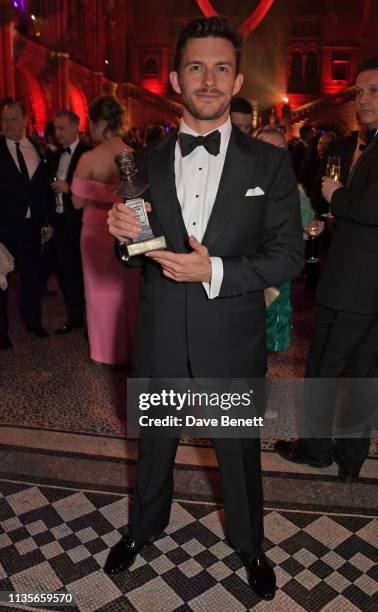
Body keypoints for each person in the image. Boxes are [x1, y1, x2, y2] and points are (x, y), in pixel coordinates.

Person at [106, 17, 304, 600]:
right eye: (197, 67)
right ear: (175, 78)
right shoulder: (141, 162)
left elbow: (289, 255)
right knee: (155, 446)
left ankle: (250, 544)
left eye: (221, 68)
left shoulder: (269, 163)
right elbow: (135, 252)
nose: (210, 79)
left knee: (238, 454)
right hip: (162, 330)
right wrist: (123, 237)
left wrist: (214, 269)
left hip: (231, 334)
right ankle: (142, 530)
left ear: (238, 77)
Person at [275, 57, 378, 482]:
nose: (364, 99)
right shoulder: (361, 144)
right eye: (359, 92)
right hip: (364, 283)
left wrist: (335, 197)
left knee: (321, 368)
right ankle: (351, 460)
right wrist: (326, 217)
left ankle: (316, 449)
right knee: (366, 376)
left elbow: (371, 208)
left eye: (374, 91)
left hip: (354, 285)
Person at [71, 96, 140, 365]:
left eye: (90, 122)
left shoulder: (89, 158)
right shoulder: (131, 155)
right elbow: (136, 199)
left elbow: (76, 202)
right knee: (127, 290)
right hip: (124, 229)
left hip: (94, 234)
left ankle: (105, 352)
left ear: (101, 123)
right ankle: (132, 346)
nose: (89, 127)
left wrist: (94, 195)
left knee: (98, 292)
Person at [0, 100, 51, 349]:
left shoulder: (36, 148)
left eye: (12, 119)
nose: (7, 124)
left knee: (31, 276)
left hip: (31, 226)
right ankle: (1, 331)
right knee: (1, 280)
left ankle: (33, 321)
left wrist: (46, 221)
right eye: (4, 119)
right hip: (4, 226)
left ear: (25, 120)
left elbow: (41, 188)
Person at [50, 110, 92, 334]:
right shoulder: (56, 155)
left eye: (61, 128)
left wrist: (70, 188)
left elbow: (96, 190)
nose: (57, 133)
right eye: (55, 129)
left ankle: (91, 319)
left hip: (83, 224)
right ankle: (75, 317)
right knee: (67, 273)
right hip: (61, 223)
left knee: (86, 273)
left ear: (76, 127)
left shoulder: (88, 153)